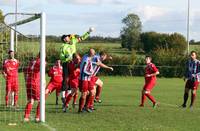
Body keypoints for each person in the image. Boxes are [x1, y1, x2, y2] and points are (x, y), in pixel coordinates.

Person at [60, 27, 94, 107]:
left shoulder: (73, 41)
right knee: (66, 80)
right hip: (66, 63)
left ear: (68, 37)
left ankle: (71, 99)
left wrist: (88, 32)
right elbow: (61, 56)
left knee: (75, 80)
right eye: (64, 38)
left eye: (66, 37)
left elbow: (82, 38)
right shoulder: (63, 46)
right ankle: (63, 97)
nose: (65, 39)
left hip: (74, 61)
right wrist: (66, 56)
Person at [24, 54, 43, 122]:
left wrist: (26, 80)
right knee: (41, 100)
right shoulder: (41, 61)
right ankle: (37, 117)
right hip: (36, 83)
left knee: (31, 100)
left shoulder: (32, 62)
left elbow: (25, 71)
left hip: (29, 82)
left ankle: (26, 117)